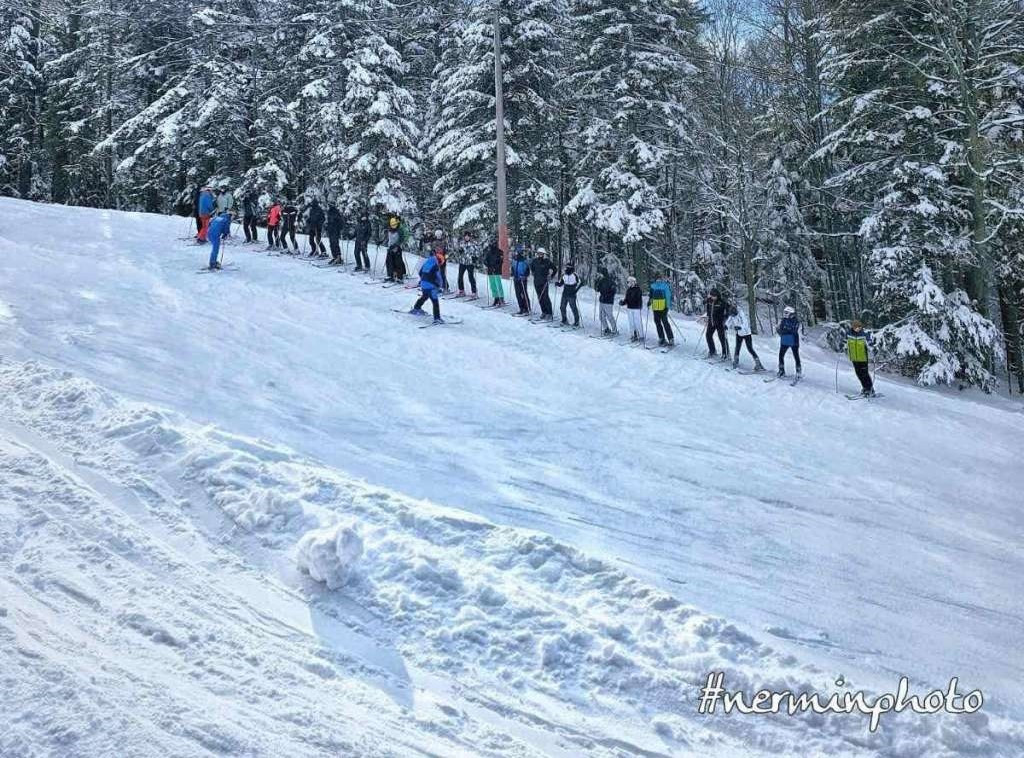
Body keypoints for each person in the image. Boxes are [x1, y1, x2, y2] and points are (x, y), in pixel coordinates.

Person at [410, 246, 446, 323]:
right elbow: (439, 277)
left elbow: (420, 272)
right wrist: (440, 286)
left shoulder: (427, 262)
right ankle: (437, 318)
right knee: (435, 302)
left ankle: (416, 308)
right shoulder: (435, 266)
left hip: (423, 284)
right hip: (431, 286)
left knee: (424, 296)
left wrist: (423, 280)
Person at [726, 304, 764, 371]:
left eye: (733, 315)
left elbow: (745, 323)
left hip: (746, 333)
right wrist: (726, 325)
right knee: (737, 348)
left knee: (750, 348)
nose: (732, 316)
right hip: (739, 334)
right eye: (731, 315)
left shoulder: (741, 313)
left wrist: (740, 327)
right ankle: (736, 361)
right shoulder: (732, 315)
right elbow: (729, 320)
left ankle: (758, 363)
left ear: (735, 312)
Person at [846, 320, 875, 396]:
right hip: (854, 358)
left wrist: (871, 347)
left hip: (863, 358)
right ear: (853, 327)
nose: (858, 328)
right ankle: (865, 388)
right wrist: (843, 347)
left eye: (859, 327)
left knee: (864, 374)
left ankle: (870, 389)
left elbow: (870, 343)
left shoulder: (864, 334)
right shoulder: (849, 333)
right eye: (856, 327)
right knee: (858, 374)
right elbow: (845, 342)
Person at [529, 247, 556, 320]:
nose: (540, 254)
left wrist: (551, 276)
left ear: (544, 254)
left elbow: (555, 269)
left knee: (545, 297)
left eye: (541, 253)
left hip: (544, 282)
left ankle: (549, 313)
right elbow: (531, 267)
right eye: (539, 253)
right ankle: (543, 312)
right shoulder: (535, 261)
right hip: (536, 282)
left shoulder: (547, 261)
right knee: (540, 297)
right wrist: (533, 272)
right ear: (537, 254)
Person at [648, 273, 674, 346]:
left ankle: (671, 338)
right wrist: (649, 301)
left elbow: (668, 296)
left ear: (661, 279)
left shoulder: (665, 286)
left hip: (663, 307)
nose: (658, 280)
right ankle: (661, 338)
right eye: (657, 278)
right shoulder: (652, 286)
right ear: (655, 279)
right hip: (655, 307)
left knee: (665, 323)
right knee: (657, 323)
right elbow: (651, 296)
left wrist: (667, 307)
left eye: (659, 278)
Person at [705, 288, 730, 359]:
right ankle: (712, 351)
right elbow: (708, 308)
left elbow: (728, 311)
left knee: (722, 338)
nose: (712, 297)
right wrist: (708, 316)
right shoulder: (709, 300)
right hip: (711, 321)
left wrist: (725, 318)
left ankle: (725, 353)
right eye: (711, 295)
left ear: (717, 295)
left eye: (714, 296)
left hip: (720, 323)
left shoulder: (722, 302)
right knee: (708, 335)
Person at [777, 306, 802, 377]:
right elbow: (781, 329)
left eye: (786, 313)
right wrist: (780, 331)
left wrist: (784, 330)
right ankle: (781, 370)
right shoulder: (783, 320)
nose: (785, 314)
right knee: (781, 355)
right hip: (785, 340)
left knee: (796, 356)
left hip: (793, 341)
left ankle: (798, 371)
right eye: (784, 312)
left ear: (791, 313)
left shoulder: (796, 321)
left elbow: (793, 330)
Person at [455, 231, 479, 299]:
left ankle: (474, 292)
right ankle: (461, 290)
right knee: (460, 277)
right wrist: (459, 251)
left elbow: (477, 251)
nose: (466, 237)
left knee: (470, 277)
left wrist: (475, 258)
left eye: (468, 236)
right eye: (465, 236)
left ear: (470, 237)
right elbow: (458, 250)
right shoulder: (462, 243)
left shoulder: (473, 243)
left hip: (470, 263)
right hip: (462, 262)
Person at [383, 215, 407, 281]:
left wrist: (396, 245)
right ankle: (390, 275)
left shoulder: (400, 230)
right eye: (392, 225)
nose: (393, 226)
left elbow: (402, 239)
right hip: (390, 248)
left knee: (398, 262)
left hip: (397, 248)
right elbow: (387, 238)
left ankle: (400, 276)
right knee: (389, 262)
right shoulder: (389, 229)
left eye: (394, 225)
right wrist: (381, 241)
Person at [620, 276, 643, 341]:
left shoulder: (638, 289)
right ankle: (633, 335)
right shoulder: (628, 290)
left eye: (629, 282)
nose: (628, 283)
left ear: (633, 282)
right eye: (628, 282)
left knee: (637, 322)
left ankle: (641, 335)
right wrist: (623, 302)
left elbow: (638, 299)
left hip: (636, 308)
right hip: (630, 308)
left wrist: (638, 305)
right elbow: (627, 299)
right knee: (631, 322)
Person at [595, 267, 617, 335]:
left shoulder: (611, 281)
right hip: (602, 300)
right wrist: (596, 282)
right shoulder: (601, 280)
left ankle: (614, 330)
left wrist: (607, 296)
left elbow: (613, 291)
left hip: (608, 301)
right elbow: (597, 289)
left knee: (609, 316)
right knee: (601, 316)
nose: (600, 275)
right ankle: (606, 329)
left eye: (601, 273)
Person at [484, 238, 505, 306]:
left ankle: (501, 298)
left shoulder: (500, 252)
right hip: (490, 270)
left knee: (498, 284)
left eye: (494, 243)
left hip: (497, 270)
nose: (493, 245)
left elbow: (501, 262)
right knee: (493, 285)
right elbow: (485, 260)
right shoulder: (489, 252)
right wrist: (488, 266)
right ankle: (496, 298)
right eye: (492, 243)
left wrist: (495, 268)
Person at [512, 248, 531, 314]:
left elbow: (528, 270)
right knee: (518, 294)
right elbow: (513, 268)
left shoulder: (524, 260)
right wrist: (513, 274)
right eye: (516, 252)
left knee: (524, 293)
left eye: (518, 252)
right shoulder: (514, 260)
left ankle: (527, 308)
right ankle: (521, 308)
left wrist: (524, 276)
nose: (516, 254)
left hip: (522, 279)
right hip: (516, 279)